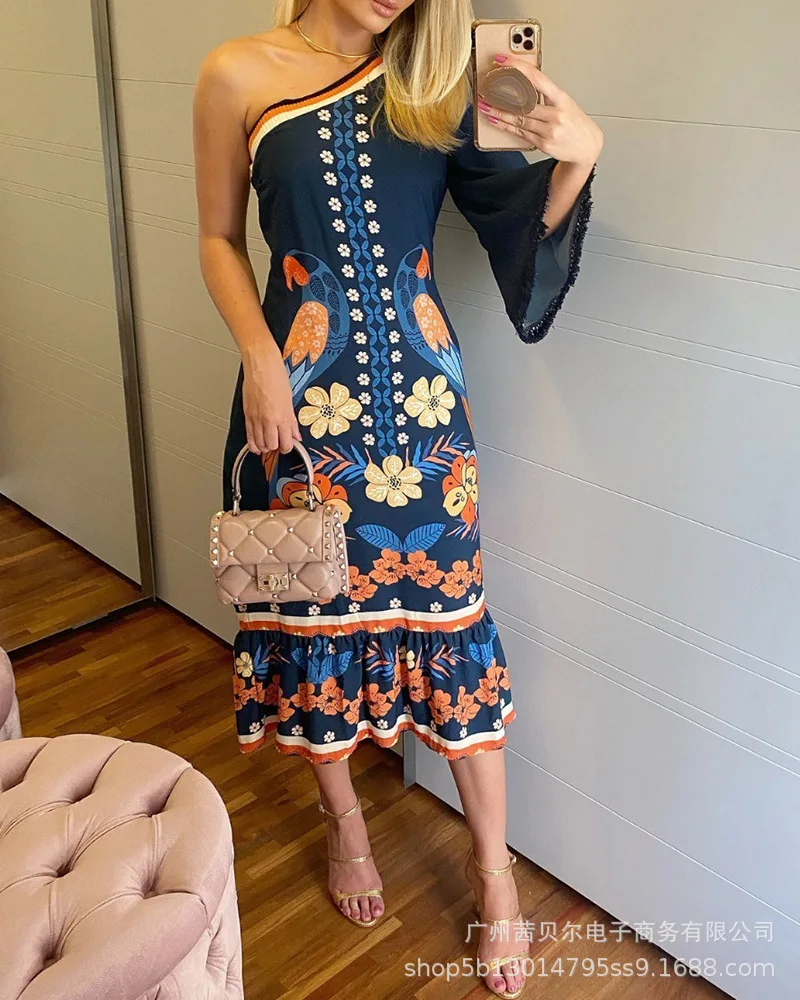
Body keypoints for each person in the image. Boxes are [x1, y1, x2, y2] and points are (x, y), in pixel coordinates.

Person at [193, 1, 600, 995]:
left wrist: (579, 155)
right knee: (310, 613)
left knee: (452, 620)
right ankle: (345, 826)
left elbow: (516, 221)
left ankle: (494, 877)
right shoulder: (235, 72)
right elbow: (215, 236)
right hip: (296, 405)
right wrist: (258, 357)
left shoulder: (448, 76)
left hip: (424, 412)